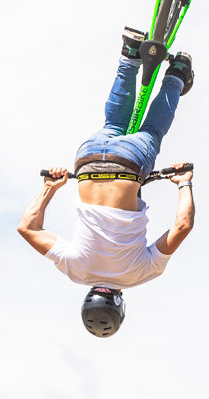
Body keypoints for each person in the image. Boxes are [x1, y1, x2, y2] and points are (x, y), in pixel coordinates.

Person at [17, 27, 196, 336]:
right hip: (86, 163)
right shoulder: (75, 270)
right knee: (113, 123)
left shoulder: (139, 275)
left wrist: (183, 183)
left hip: (129, 164)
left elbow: (182, 227)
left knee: (153, 131)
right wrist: (50, 188)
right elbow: (27, 228)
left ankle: (178, 71)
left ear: (120, 306)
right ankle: (129, 56)